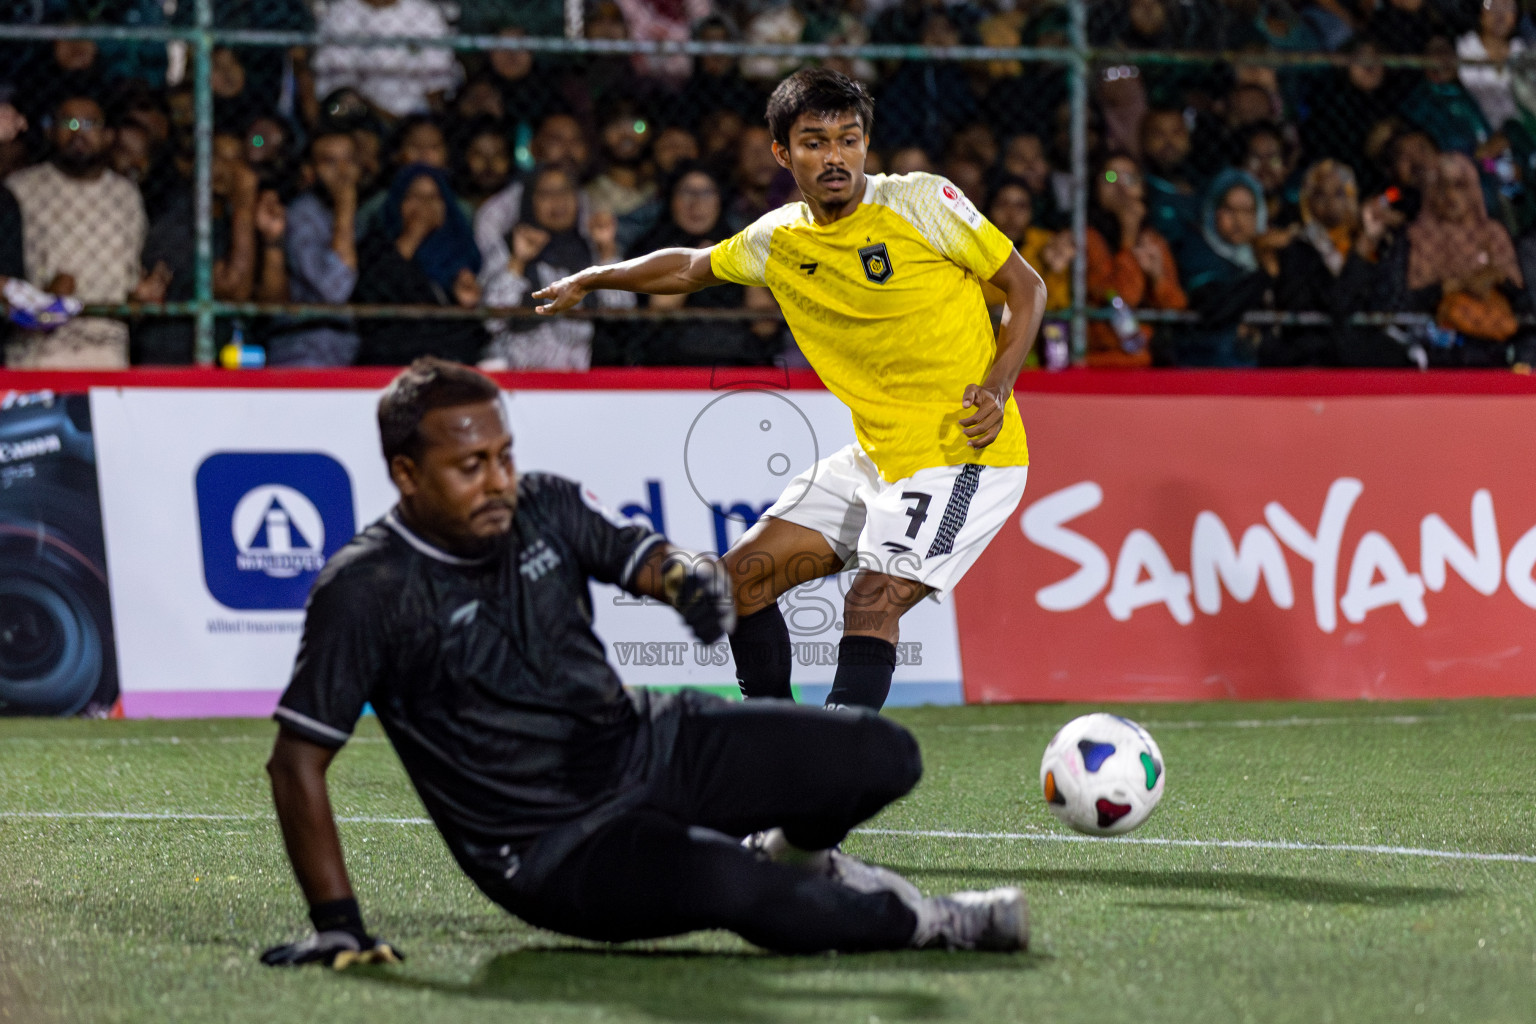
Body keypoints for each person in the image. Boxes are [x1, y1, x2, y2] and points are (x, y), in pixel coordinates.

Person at [259, 358, 1028, 966]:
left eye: (503, 456)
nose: (497, 480)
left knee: (880, 754)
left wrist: (689, 584)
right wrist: (337, 925)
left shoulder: (543, 505)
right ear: (406, 475)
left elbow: (645, 558)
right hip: (550, 846)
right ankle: (932, 922)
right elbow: (296, 761)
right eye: (470, 465)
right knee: (735, 887)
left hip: (648, 744)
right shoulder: (365, 590)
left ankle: (801, 854)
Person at [534, 68, 1045, 712]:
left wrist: (998, 386)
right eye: (814, 142)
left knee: (871, 600)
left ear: (866, 144)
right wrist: (596, 275)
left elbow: (1028, 288)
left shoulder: (921, 201)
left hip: (963, 456)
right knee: (736, 582)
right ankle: (773, 752)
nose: (835, 156)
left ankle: (825, 780)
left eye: (848, 139)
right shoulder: (778, 240)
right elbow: (691, 267)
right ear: (783, 153)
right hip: (875, 457)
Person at [5, 94, 148, 368]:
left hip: (107, 347)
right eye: (68, 123)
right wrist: (42, 299)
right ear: (50, 131)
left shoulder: (125, 195)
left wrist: (139, 296)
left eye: (89, 124)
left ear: (108, 135)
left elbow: (132, 271)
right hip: (38, 351)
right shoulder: (21, 189)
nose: (78, 132)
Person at [478, 165, 633, 370]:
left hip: (582, 384)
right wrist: (518, 262)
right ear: (529, 201)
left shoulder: (592, 248)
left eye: (565, 191)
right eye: (546, 193)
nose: (558, 201)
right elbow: (492, 322)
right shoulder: (508, 247)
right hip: (518, 381)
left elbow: (622, 315)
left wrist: (606, 251)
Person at [623, 162, 778, 366]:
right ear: (671, 200)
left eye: (706, 193)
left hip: (737, 367)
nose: (696, 203)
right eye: (687, 192)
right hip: (669, 369)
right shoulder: (648, 249)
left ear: (720, 201)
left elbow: (766, 327)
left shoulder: (739, 245)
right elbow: (655, 317)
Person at [1266, 160, 1404, 366]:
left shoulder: (1379, 242)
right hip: (1312, 347)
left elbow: (1384, 301)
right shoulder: (1297, 248)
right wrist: (1358, 256)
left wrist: (1364, 247)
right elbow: (1333, 306)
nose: (1330, 202)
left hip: (1364, 342)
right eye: (1320, 194)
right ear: (1307, 201)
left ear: (1351, 197)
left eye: (1339, 194)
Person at [352, 165, 485, 365]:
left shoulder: (461, 252)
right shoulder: (375, 245)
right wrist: (414, 234)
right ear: (398, 203)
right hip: (390, 360)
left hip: (452, 361)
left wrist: (466, 300)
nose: (425, 205)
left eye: (434, 197)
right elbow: (371, 290)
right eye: (415, 196)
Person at [268, 129, 363, 366]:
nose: (342, 172)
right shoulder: (302, 214)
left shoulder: (369, 212)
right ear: (309, 172)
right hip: (304, 349)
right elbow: (334, 289)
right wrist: (345, 207)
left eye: (349, 160)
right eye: (330, 162)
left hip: (348, 348)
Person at [1084, 153, 1187, 368]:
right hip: (1099, 357)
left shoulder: (1152, 240)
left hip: (1146, 358)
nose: (1121, 188)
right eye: (1111, 178)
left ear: (1142, 190)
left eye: (1130, 179)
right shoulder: (1087, 238)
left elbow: (1176, 306)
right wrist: (1128, 237)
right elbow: (1120, 297)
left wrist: (1157, 278)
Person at [1174, 169, 1285, 367]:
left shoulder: (1265, 252)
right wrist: (1264, 275)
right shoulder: (1197, 251)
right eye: (1229, 210)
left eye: (1247, 211)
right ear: (1213, 211)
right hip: (1208, 359)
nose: (1238, 220)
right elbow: (1215, 309)